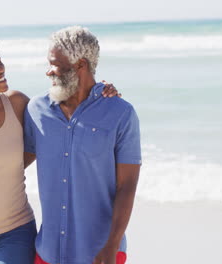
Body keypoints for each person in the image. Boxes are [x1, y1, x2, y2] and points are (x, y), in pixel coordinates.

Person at [0, 26, 119, 264]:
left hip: (16, 232)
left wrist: (99, 91)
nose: (0, 69)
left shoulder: (18, 104)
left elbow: (57, 118)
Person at [23, 26, 141, 264]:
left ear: (81, 65)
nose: (48, 72)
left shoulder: (121, 113)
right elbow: (12, 164)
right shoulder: (36, 110)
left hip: (101, 253)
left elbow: (127, 186)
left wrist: (112, 245)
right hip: (48, 252)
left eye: (55, 64)